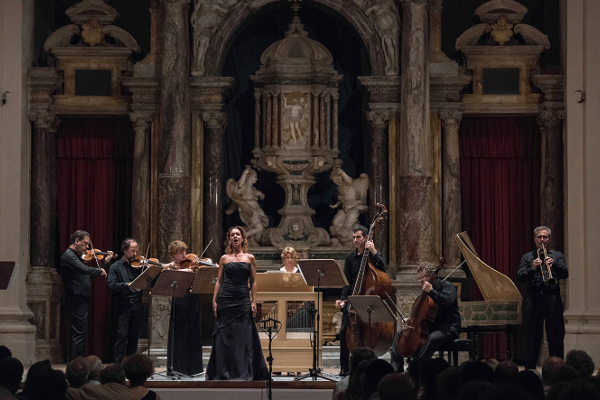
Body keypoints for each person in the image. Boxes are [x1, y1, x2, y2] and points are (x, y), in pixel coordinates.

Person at [206, 226, 269, 380]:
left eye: (237, 234)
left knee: (244, 337)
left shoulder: (250, 258)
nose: (235, 237)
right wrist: (214, 300)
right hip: (225, 300)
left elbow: (253, 282)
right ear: (230, 239)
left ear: (242, 238)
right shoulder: (224, 258)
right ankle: (224, 371)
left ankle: (244, 370)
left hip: (242, 300)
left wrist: (254, 301)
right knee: (225, 337)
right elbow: (219, 281)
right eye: (232, 234)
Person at [389, 261, 461, 372]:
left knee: (432, 338)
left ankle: (416, 368)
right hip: (430, 328)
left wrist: (431, 291)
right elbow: (422, 315)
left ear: (433, 275)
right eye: (419, 278)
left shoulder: (447, 286)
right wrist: (411, 320)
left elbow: (448, 302)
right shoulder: (425, 293)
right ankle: (395, 370)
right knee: (399, 335)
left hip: (448, 327)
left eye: (423, 277)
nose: (421, 280)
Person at [335, 225, 386, 376]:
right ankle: (344, 368)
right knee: (345, 331)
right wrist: (343, 299)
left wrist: (374, 251)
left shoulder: (373, 255)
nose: (355, 240)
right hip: (353, 298)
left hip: (368, 300)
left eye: (358, 237)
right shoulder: (350, 258)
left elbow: (383, 269)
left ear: (366, 238)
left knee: (367, 334)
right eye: (353, 237)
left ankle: (369, 366)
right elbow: (347, 282)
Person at [517, 226, 568, 370]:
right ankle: (530, 369)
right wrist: (532, 268)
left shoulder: (557, 256)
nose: (542, 240)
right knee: (532, 335)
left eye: (545, 237)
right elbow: (520, 276)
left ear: (549, 239)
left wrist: (555, 264)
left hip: (552, 298)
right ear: (534, 239)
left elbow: (565, 273)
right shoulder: (527, 257)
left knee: (556, 335)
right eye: (539, 237)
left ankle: (558, 369)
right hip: (533, 298)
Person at [60, 230, 113, 361]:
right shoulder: (69, 256)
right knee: (78, 333)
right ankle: (74, 365)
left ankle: (77, 364)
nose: (88, 247)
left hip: (81, 298)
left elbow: (89, 276)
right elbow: (85, 270)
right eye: (85, 243)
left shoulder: (77, 256)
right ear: (76, 241)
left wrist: (105, 263)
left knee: (80, 333)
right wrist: (99, 270)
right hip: (75, 298)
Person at [164, 240, 203, 376]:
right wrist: (181, 272)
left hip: (192, 299)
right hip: (179, 300)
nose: (184, 255)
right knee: (179, 333)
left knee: (192, 330)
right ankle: (178, 367)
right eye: (181, 253)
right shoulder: (170, 267)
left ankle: (194, 368)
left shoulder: (190, 264)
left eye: (184, 252)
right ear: (174, 254)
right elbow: (164, 272)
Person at [107, 238, 143, 362]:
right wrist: (127, 285)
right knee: (122, 336)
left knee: (134, 337)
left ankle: (130, 365)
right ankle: (117, 366)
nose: (135, 254)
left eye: (136, 251)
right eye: (132, 251)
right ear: (125, 250)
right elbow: (112, 285)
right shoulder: (115, 267)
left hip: (137, 305)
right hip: (124, 305)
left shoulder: (139, 266)